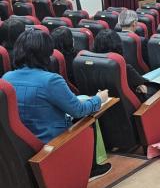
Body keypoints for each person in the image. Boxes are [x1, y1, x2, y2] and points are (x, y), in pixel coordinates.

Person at [2, 29, 111, 179]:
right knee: (89, 117)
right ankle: (91, 170)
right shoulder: (51, 80)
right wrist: (99, 99)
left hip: (24, 144)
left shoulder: (6, 78)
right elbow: (78, 110)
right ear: (45, 53)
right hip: (52, 141)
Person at [93, 29, 155, 101]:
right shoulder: (123, 68)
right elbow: (142, 82)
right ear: (118, 45)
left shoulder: (87, 65)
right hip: (129, 106)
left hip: (102, 105)